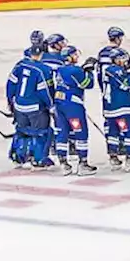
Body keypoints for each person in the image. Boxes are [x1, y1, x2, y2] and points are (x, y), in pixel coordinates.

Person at [6, 42, 54, 169]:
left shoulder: (19, 66)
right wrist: (51, 105)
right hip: (35, 108)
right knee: (42, 132)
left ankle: (18, 155)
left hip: (19, 105)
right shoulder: (43, 70)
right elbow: (45, 92)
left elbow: (10, 84)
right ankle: (39, 159)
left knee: (22, 130)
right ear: (41, 54)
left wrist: (10, 101)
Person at [53, 45, 97, 176]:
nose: (77, 56)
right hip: (73, 106)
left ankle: (63, 164)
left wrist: (83, 69)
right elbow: (87, 84)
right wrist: (89, 72)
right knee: (81, 133)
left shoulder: (60, 69)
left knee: (62, 132)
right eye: (75, 54)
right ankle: (82, 164)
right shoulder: (75, 70)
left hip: (59, 104)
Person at [102, 48, 130, 171]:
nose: (125, 61)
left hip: (109, 108)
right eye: (123, 58)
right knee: (129, 132)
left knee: (113, 132)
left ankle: (113, 157)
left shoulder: (108, 70)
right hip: (120, 107)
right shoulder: (116, 70)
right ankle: (129, 158)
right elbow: (127, 84)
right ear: (116, 59)